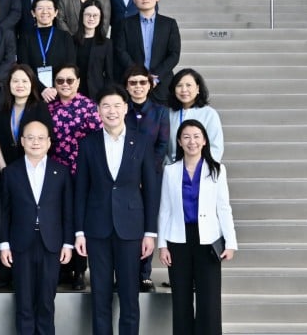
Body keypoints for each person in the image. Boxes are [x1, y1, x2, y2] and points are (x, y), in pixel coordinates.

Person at [74, 86, 160, 335]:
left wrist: (150, 232)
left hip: (131, 229)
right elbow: (81, 190)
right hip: (97, 229)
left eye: (116, 105)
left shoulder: (141, 141)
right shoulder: (88, 143)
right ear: (98, 110)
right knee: (100, 296)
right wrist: (79, 232)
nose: (111, 111)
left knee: (129, 297)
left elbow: (151, 190)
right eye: (105, 106)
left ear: (125, 108)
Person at [158, 119, 237, 335]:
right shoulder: (171, 171)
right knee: (181, 299)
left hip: (208, 240)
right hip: (178, 239)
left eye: (196, 137)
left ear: (204, 141)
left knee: (209, 300)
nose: (191, 141)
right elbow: (164, 209)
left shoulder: (217, 170)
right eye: (186, 137)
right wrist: (162, 244)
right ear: (179, 142)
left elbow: (224, 208)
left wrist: (230, 242)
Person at [0, 120, 73, 335]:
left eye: (41, 138)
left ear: (49, 142)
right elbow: (4, 211)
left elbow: (67, 211)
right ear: (22, 141)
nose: (35, 142)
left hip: (51, 244)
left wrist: (68, 243)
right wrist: (4, 244)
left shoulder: (61, 171)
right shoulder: (10, 172)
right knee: (24, 302)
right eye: (30, 138)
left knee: (47, 302)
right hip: (20, 244)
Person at [45, 64, 101, 290]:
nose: (65, 85)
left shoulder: (88, 107)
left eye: (70, 80)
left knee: (79, 219)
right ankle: (62, 268)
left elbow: (98, 140)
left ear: (78, 82)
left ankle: (79, 270)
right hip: (56, 173)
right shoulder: (49, 107)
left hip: (81, 172)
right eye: (60, 81)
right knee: (58, 218)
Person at [124, 64, 170, 293]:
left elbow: (162, 145)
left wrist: (146, 175)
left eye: (142, 82)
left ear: (150, 85)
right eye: (133, 83)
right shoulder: (121, 110)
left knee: (147, 223)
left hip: (151, 176)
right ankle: (124, 272)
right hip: (125, 176)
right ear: (127, 86)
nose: (138, 87)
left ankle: (144, 273)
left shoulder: (160, 111)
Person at [111, 0, 180, 100]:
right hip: (133, 85)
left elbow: (174, 54)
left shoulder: (169, 24)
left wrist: (155, 77)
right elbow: (120, 51)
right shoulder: (124, 24)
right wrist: (139, 75)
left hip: (161, 86)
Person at [16, 0, 75, 103]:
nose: (45, 12)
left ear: (56, 12)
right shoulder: (25, 37)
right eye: (40, 8)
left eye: (49, 8)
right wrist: (42, 89)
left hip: (61, 92)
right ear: (33, 13)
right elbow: (24, 67)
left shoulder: (65, 37)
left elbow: (71, 67)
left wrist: (56, 88)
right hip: (33, 93)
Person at [0, 64, 51, 172]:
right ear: (9, 84)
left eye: (24, 81)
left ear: (32, 84)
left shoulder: (40, 108)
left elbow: (48, 140)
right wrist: (5, 171)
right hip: (7, 169)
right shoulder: (1, 111)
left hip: (35, 171)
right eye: (15, 81)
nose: (20, 85)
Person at [165, 68, 225, 164]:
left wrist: (201, 169)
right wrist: (169, 167)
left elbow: (216, 147)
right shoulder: (168, 114)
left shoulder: (209, 114)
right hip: (173, 169)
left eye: (188, 85)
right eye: (179, 85)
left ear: (197, 88)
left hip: (201, 171)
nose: (184, 89)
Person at [75, 0, 115, 101]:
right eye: (88, 15)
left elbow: (109, 73)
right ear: (82, 16)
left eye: (95, 15)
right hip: (75, 94)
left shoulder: (107, 43)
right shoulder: (71, 41)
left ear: (100, 18)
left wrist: (107, 95)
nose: (91, 18)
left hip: (98, 93)